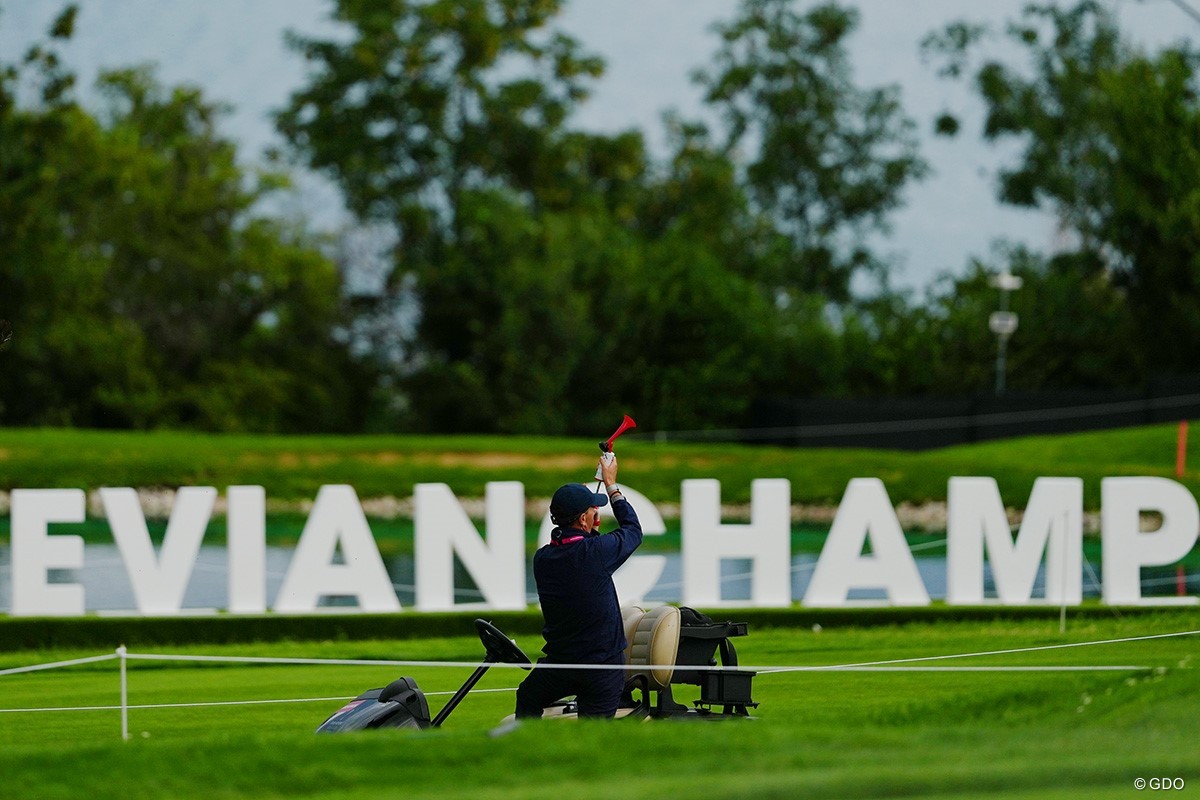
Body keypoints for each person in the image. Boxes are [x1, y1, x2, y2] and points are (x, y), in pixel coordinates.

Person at [514, 453, 642, 719]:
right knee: (591, 735)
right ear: (583, 519)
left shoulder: (543, 559)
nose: (598, 513)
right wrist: (612, 486)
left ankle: (525, 753)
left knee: (527, 696)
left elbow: (577, 551)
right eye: (594, 510)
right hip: (602, 668)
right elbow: (632, 530)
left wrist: (591, 526)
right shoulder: (595, 553)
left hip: (562, 664)